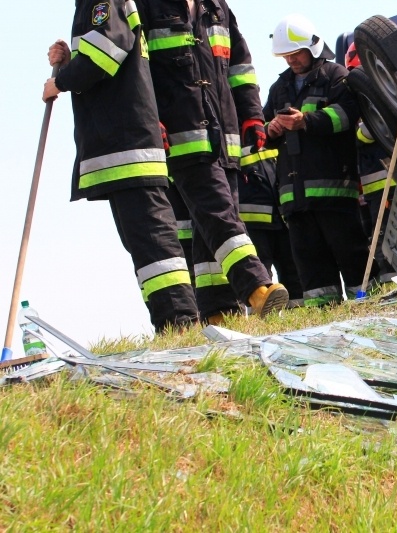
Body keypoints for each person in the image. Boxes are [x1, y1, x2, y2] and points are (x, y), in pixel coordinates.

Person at [44, 0, 199, 333]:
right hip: (122, 147)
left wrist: (61, 81)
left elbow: (105, 54)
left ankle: (181, 322)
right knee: (143, 244)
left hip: (128, 145)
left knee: (153, 240)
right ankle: (170, 323)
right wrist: (69, 62)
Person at [134, 0, 288, 322]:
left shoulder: (217, 7)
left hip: (225, 137)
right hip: (182, 137)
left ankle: (219, 310)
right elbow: (138, 71)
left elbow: (240, 66)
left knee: (210, 226)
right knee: (220, 216)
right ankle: (257, 288)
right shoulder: (146, 5)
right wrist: (150, 119)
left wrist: (252, 114)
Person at [266, 14, 376, 307]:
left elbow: (348, 115)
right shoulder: (279, 87)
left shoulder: (335, 75)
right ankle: (323, 312)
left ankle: (365, 305)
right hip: (294, 197)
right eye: (285, 55)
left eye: (296, 53)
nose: (291, 60)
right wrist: (271, 129)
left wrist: (306, 121)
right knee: (310, 264)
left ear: (312, 47)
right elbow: (262, 129)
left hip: (334, 190)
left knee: (351, 253)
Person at [345, 43, 397, 283]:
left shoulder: (376, 94)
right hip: (378, 185)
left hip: (385, 181)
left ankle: (391, 277)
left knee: (385, 233)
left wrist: (360, 134)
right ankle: (389, 279)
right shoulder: (372, 93)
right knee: (381, 234)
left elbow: (365, 133)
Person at [238, 145, 304, 307]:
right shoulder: (233, 136)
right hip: (252, 223)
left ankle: (298, 312)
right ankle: (261, 315)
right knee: (260, 275)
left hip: (282, 216)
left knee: (293, 271)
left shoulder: (269, 135)